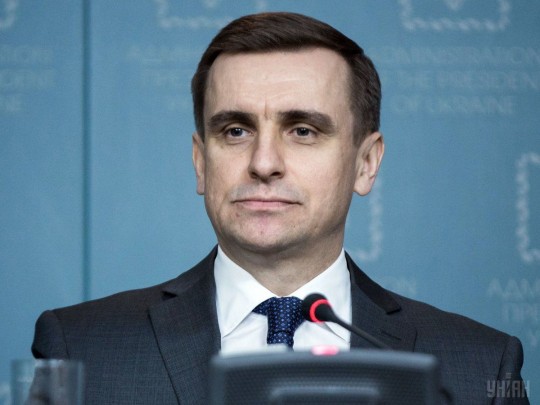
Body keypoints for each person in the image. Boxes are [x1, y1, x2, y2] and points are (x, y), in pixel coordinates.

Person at [32, 12, 528, 404]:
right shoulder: (82, 348)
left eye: (303, 131)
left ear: (366, 163)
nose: (263, 163)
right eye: (235, 131)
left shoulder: (479, 366)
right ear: (201, 163)